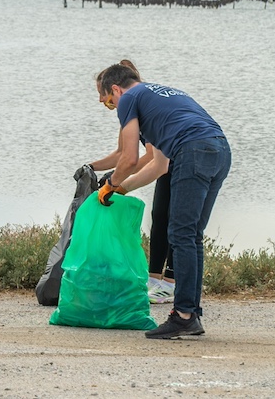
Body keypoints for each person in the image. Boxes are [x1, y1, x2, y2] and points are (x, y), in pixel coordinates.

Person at [95, 62, 231, 339]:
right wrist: (122, 189)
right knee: (191, 235)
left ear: (116, 90)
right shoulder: (160, 94)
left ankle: (183, 316)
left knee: (181, 234)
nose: (113, 108)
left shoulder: (129, 99)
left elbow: (129, 157)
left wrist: (111, 183)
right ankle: (189, 315)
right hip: (219, 151)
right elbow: (158, 165)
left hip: (193, 151)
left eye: (109, 103)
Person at [87, 60, 174, 305]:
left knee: (175, 223)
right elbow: (120, 154)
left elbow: (147, 157)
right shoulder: (128, 109)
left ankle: (170, 283)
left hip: (173, 161)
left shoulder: (139, 106)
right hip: (164, 165)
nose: (102, 103)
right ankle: (154, 280)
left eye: (102, 97)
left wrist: (118, 184)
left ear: (114, 90)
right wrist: (91, 167)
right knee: (159, 220)